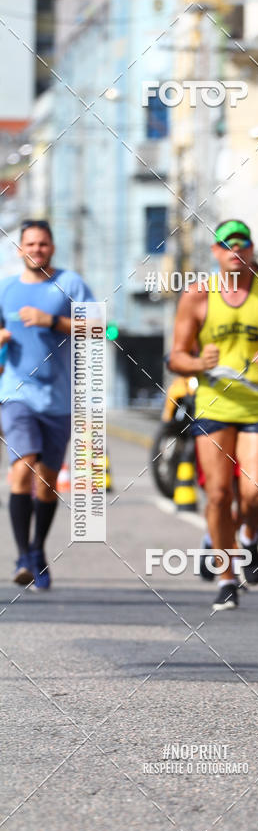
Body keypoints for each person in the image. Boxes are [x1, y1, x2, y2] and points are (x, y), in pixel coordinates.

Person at [169, 219, 258, 611]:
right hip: (212, 406)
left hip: (256, 406)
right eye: (226, 245)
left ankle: (248, 535)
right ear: (215, 252)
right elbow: (175, 357)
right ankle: (227, 577)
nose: (235, 251)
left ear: (251, 251)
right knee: (217, 493)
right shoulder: (197, 296)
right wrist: (197, 362)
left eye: (242, 245)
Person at [0, 219, 94, 588]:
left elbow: (100, 326)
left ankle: (38, 550)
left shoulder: (70, 284)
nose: (36, 249)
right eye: (30, 243)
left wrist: (52, 320)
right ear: (19, 248)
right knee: (23, 469)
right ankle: (23, 555)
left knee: (48, 481)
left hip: (58, 399)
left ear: (52, 247)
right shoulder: (6, 288)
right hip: (15, 393)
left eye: (42, 243)